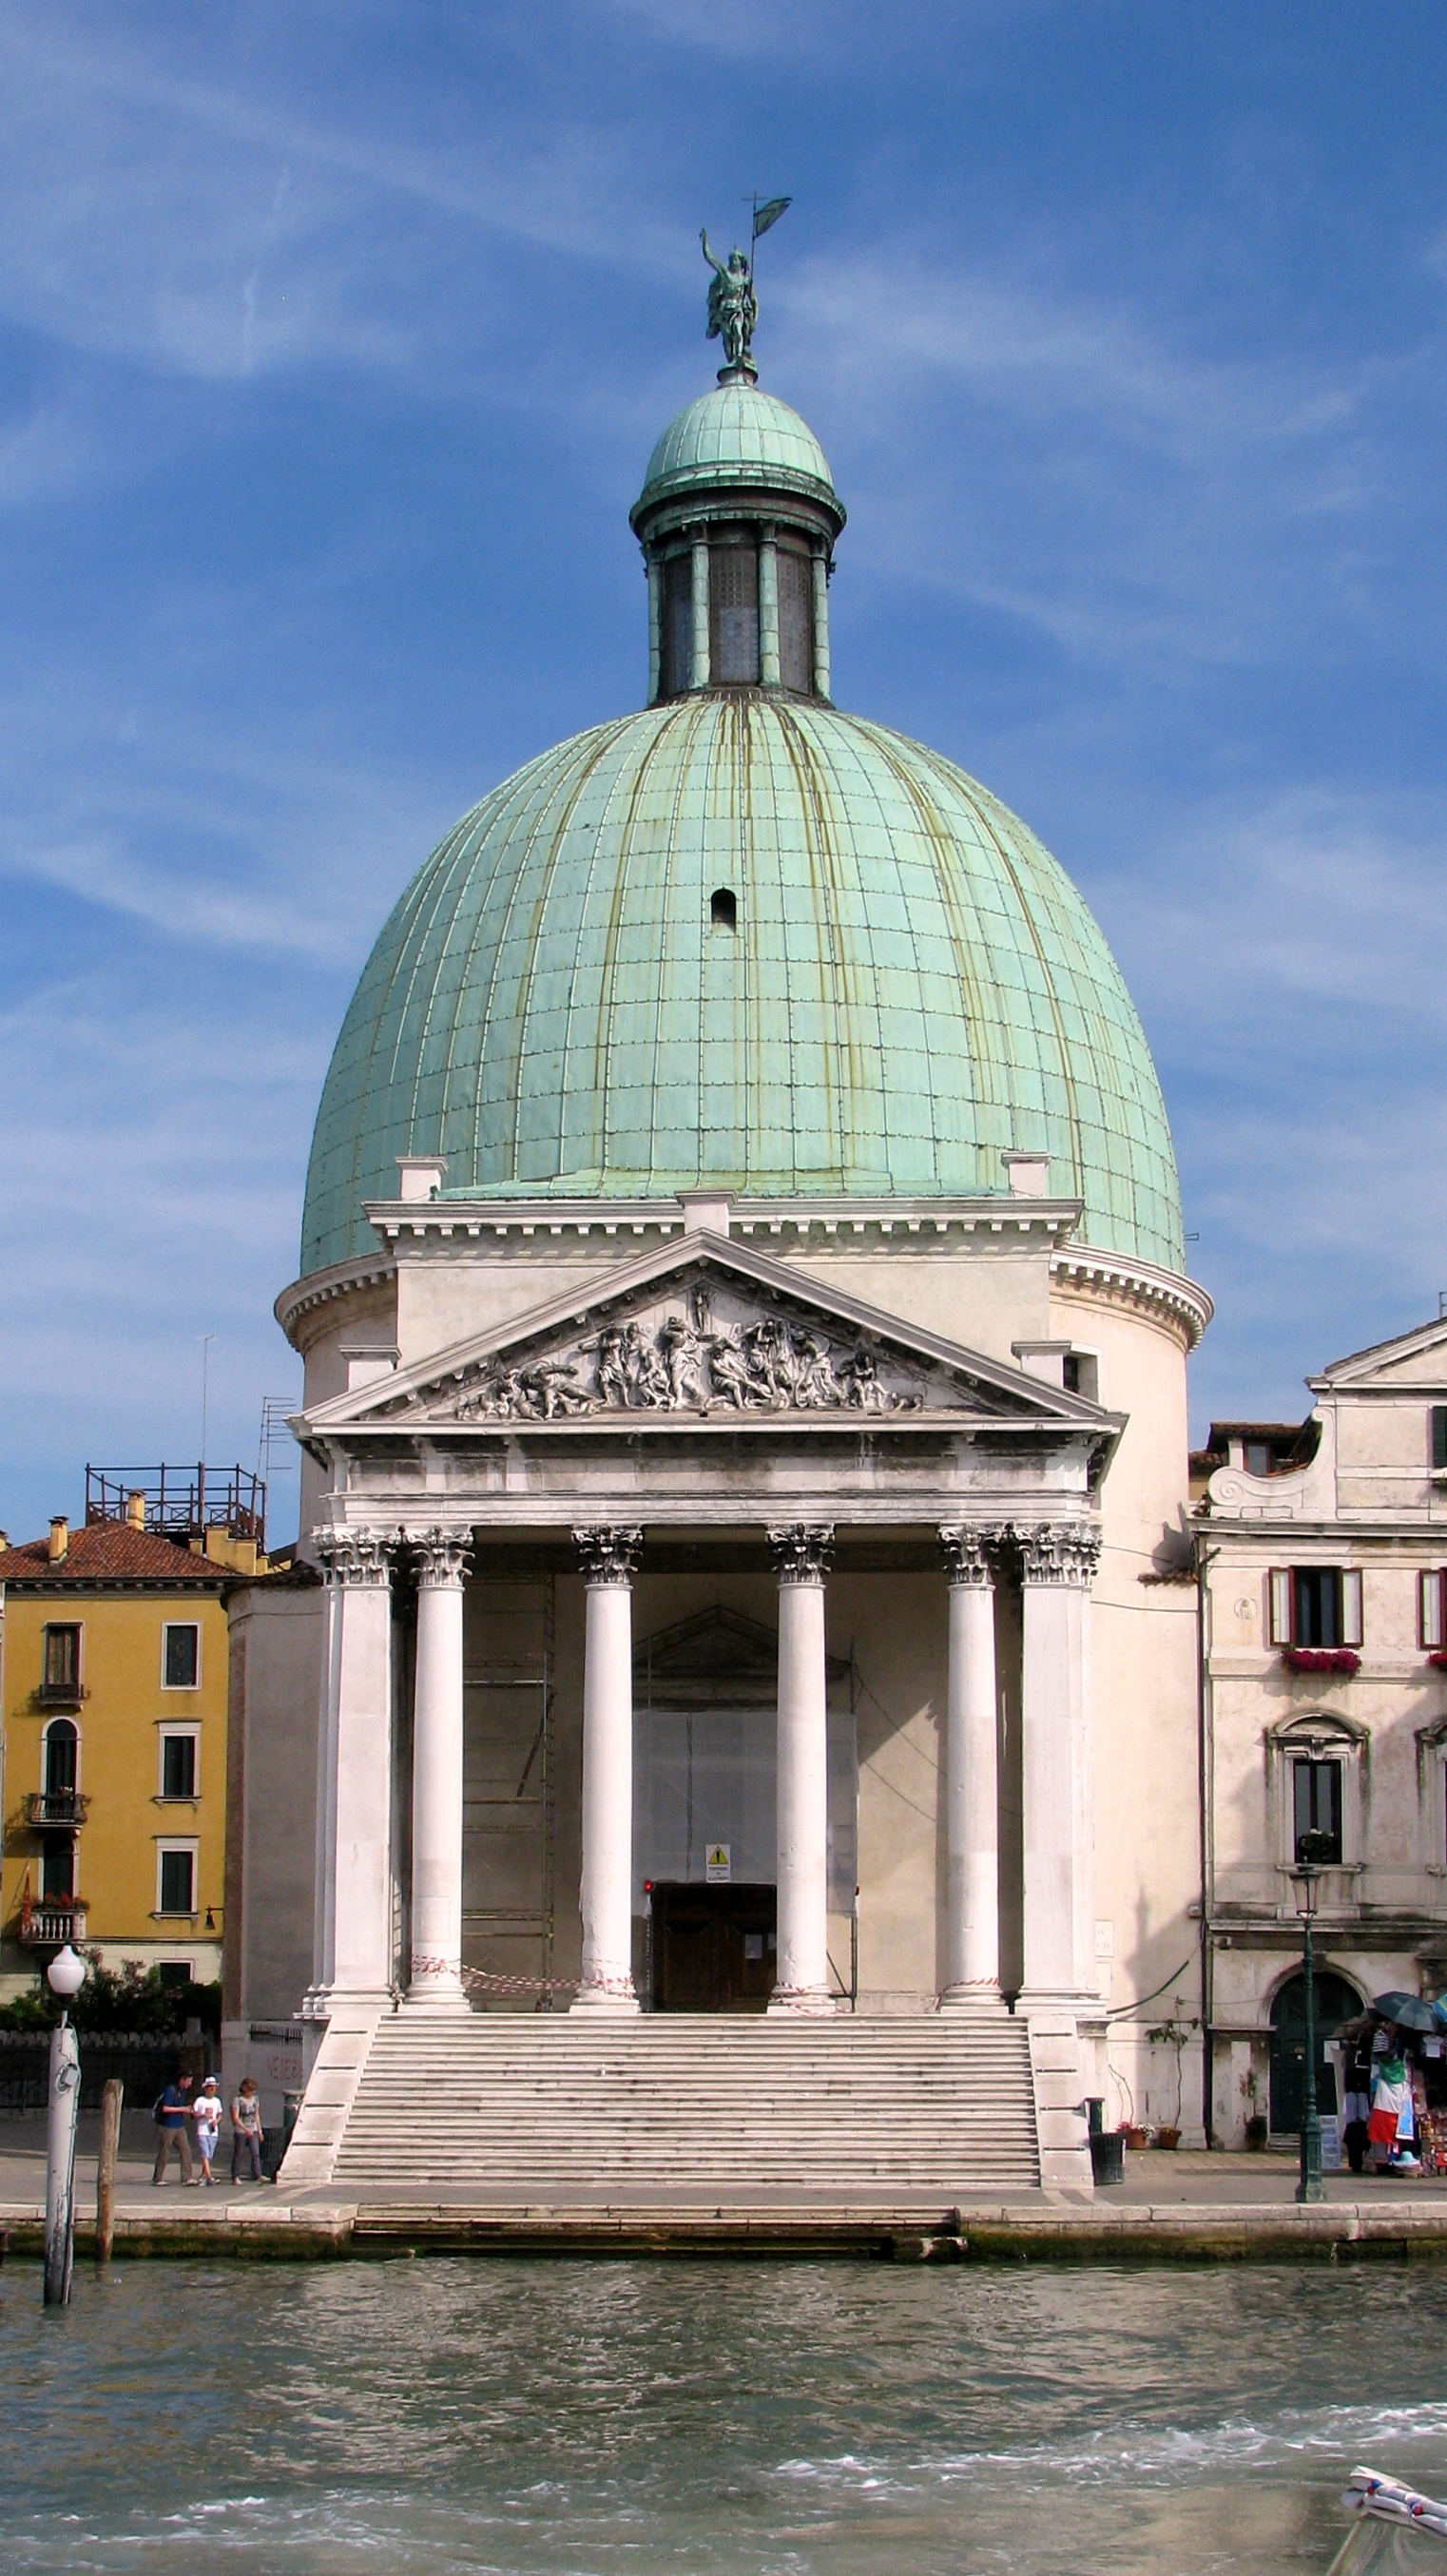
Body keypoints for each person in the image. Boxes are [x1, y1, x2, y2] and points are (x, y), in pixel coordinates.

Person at [152, 2071, 195, 2186]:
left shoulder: (183, 2092)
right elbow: (165, 2108)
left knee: (186, 2150)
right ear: (182, 2080)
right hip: (167, 2126)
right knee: (164, 2151)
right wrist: (182, 2109)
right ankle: (158, 2177)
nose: (189, 2084)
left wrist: (187, 2111)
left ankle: (187, 2177)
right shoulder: (171, 2090)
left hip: (179, 2126)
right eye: (188, 2081)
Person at [230, 2076, 265, 2182]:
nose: (252, 2093)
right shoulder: (237, 2100)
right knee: (239, 2153)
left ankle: (258, 2174)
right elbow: (235, 2118)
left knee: (255, 2153)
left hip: (253, 2127)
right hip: (241, 2129)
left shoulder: (255, 2099)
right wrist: (245, 2129)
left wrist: (259, 2130)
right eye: (251, 2090)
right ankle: (235, 2175)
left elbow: (256, 2115)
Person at [192, 2074, 222, 2185]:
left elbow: (219, 2114)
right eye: (209, 2088)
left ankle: (204, 2175)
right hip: (203, 2130)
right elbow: (194, 2113)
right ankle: (209, 2176)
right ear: (205, 2089)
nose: (212, 2090)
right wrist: (202, 2115)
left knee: (209, 2154)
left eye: (213, 2088)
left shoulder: (217, 2101)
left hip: (213, 2131)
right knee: (205, 2152)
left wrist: (216, 2121)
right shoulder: (200, 2100)